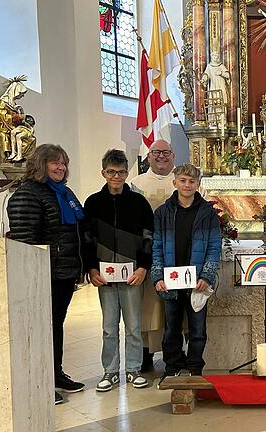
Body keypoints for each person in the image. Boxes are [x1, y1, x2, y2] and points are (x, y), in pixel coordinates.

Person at [7, 144, 86, 405]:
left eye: (63, 163)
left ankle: (55, 373)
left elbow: (73, 233)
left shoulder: (64, 193)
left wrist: (78, 267)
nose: (60, 167)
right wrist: (36, 274)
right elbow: (25, 241)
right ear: (41, 164)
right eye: (54, 163)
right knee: (39, 328)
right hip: (40, 275)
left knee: (55, 325)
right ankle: (39, 382)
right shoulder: (27, 194)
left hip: (62, 272)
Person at [83, 150, 154, 392]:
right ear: (103, 172)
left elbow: (148, 237)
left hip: (132, 274)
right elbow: (87, 238)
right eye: (111, 172)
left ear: (127, 173)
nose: (116, 176)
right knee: (108, 326)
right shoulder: (93, 203)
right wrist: (91, 268)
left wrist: (144, 267)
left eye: (121, 172)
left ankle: (133, 369)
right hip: (104, 275)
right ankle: (110, 371)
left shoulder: (138, 203)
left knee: (134, 326)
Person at [151, 164, 221, 384]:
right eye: (183, 180)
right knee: (171, 328)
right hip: (171, 280)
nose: (187, 185)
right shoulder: (163, 212)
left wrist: (206, 276)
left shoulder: (207, 213)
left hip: (197, 281)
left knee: (197, 329)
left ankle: (194, 368)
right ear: (175, 183)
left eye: (192, 181)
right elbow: (156, 246)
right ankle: (172, 367)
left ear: (198, 184)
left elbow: (214, 247)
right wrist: (158, 276)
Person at [129, 139, 176, 371]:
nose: (161, 157)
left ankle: (174, 351)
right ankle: (146, 353)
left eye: (165, 153)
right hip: (147, 253)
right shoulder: (136, 184)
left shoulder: (182, 182)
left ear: (173, 156)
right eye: (156, 153)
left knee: (175, 304)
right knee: (148, 306)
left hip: (177, 252)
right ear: (148, 157)